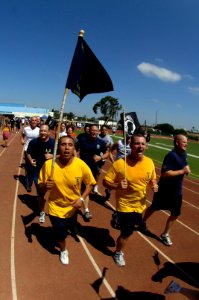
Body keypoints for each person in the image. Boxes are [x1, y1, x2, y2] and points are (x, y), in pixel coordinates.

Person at [38, 136, 96, 265]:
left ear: (74, 148)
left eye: (70, 145)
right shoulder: (49, 165)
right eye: (63, 145)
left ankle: (63, 233)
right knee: (61, 233)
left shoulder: (81, 165)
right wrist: (45, 185)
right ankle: (63, 250)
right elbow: (40, 186)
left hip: (73, 207)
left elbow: (91, 184)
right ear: (58, 147)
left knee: (69, 227)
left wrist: (81, 199)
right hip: (55, 207)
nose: (67, 148)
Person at [103, 134, 158, 267]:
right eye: (137, 143)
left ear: (147, 146)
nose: (140, 146)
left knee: (136, 225)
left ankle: (116, 218)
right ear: (130, 146)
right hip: (124, 204)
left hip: (140, 204)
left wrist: (154, 184)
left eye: (143, 144)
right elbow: (106, 182)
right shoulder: (120, 164)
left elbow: (152, 178)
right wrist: (117, 186)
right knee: (126, 233)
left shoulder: (149, 162)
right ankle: (118, 253)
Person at [142, 134, 191, 246]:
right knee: (154, 207)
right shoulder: (171, 155)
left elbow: (184, 165)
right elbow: (164, 174)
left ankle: (165, 234)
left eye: (186, 142)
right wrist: (182, 171)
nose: (186, 144)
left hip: (177, 192)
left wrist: (186, 169)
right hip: (164, 190)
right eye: (184, 142)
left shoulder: (184, 154)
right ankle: (142, 222)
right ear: (177, 142)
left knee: (175, 214)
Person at [76, 124, 109, 220]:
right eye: (92, 130)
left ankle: (85, 210)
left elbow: (107, 153)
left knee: (87, 190)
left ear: (98, 132)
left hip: (93, 170)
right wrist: (76, 159)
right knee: (78, 189)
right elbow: (75, 149)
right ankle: (81, 207)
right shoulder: (82, 140)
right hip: (80, 169)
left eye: (96, 131)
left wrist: (101, 157)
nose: (94, 132)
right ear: (89, 131)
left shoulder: (101, 142)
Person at [26, 124, 55, 223]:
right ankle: (42, 212)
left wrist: (53, 156)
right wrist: (30, 160)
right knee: (40, 192)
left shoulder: (54, 143)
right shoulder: (34, 142)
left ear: (49, 132)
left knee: (54, 192)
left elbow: (62, 155)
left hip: (51, 172)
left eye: (44, 131)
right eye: (41, 131)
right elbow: (28, 152)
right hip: (38, 171)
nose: (42, 132)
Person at [21, 116, 40, 192]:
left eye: (35, 120)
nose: (34, 121)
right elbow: (22, 136)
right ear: (30, 121)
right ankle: (29, 184)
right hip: (27, 150)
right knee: (28, 167)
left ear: (37, 121)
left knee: (35, 167)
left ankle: (34, 181)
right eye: (33, 120)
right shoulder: (25, 129)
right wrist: (22, 140)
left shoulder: (39, 130)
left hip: (37, 150)